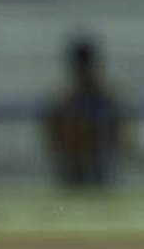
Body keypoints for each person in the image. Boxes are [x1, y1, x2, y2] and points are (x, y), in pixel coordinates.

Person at [42, 36, 125, 187]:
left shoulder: (105, 98)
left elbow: (118, 131)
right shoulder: (64, 101)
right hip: (73, 165)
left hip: (99, 165)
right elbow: (53, 133)